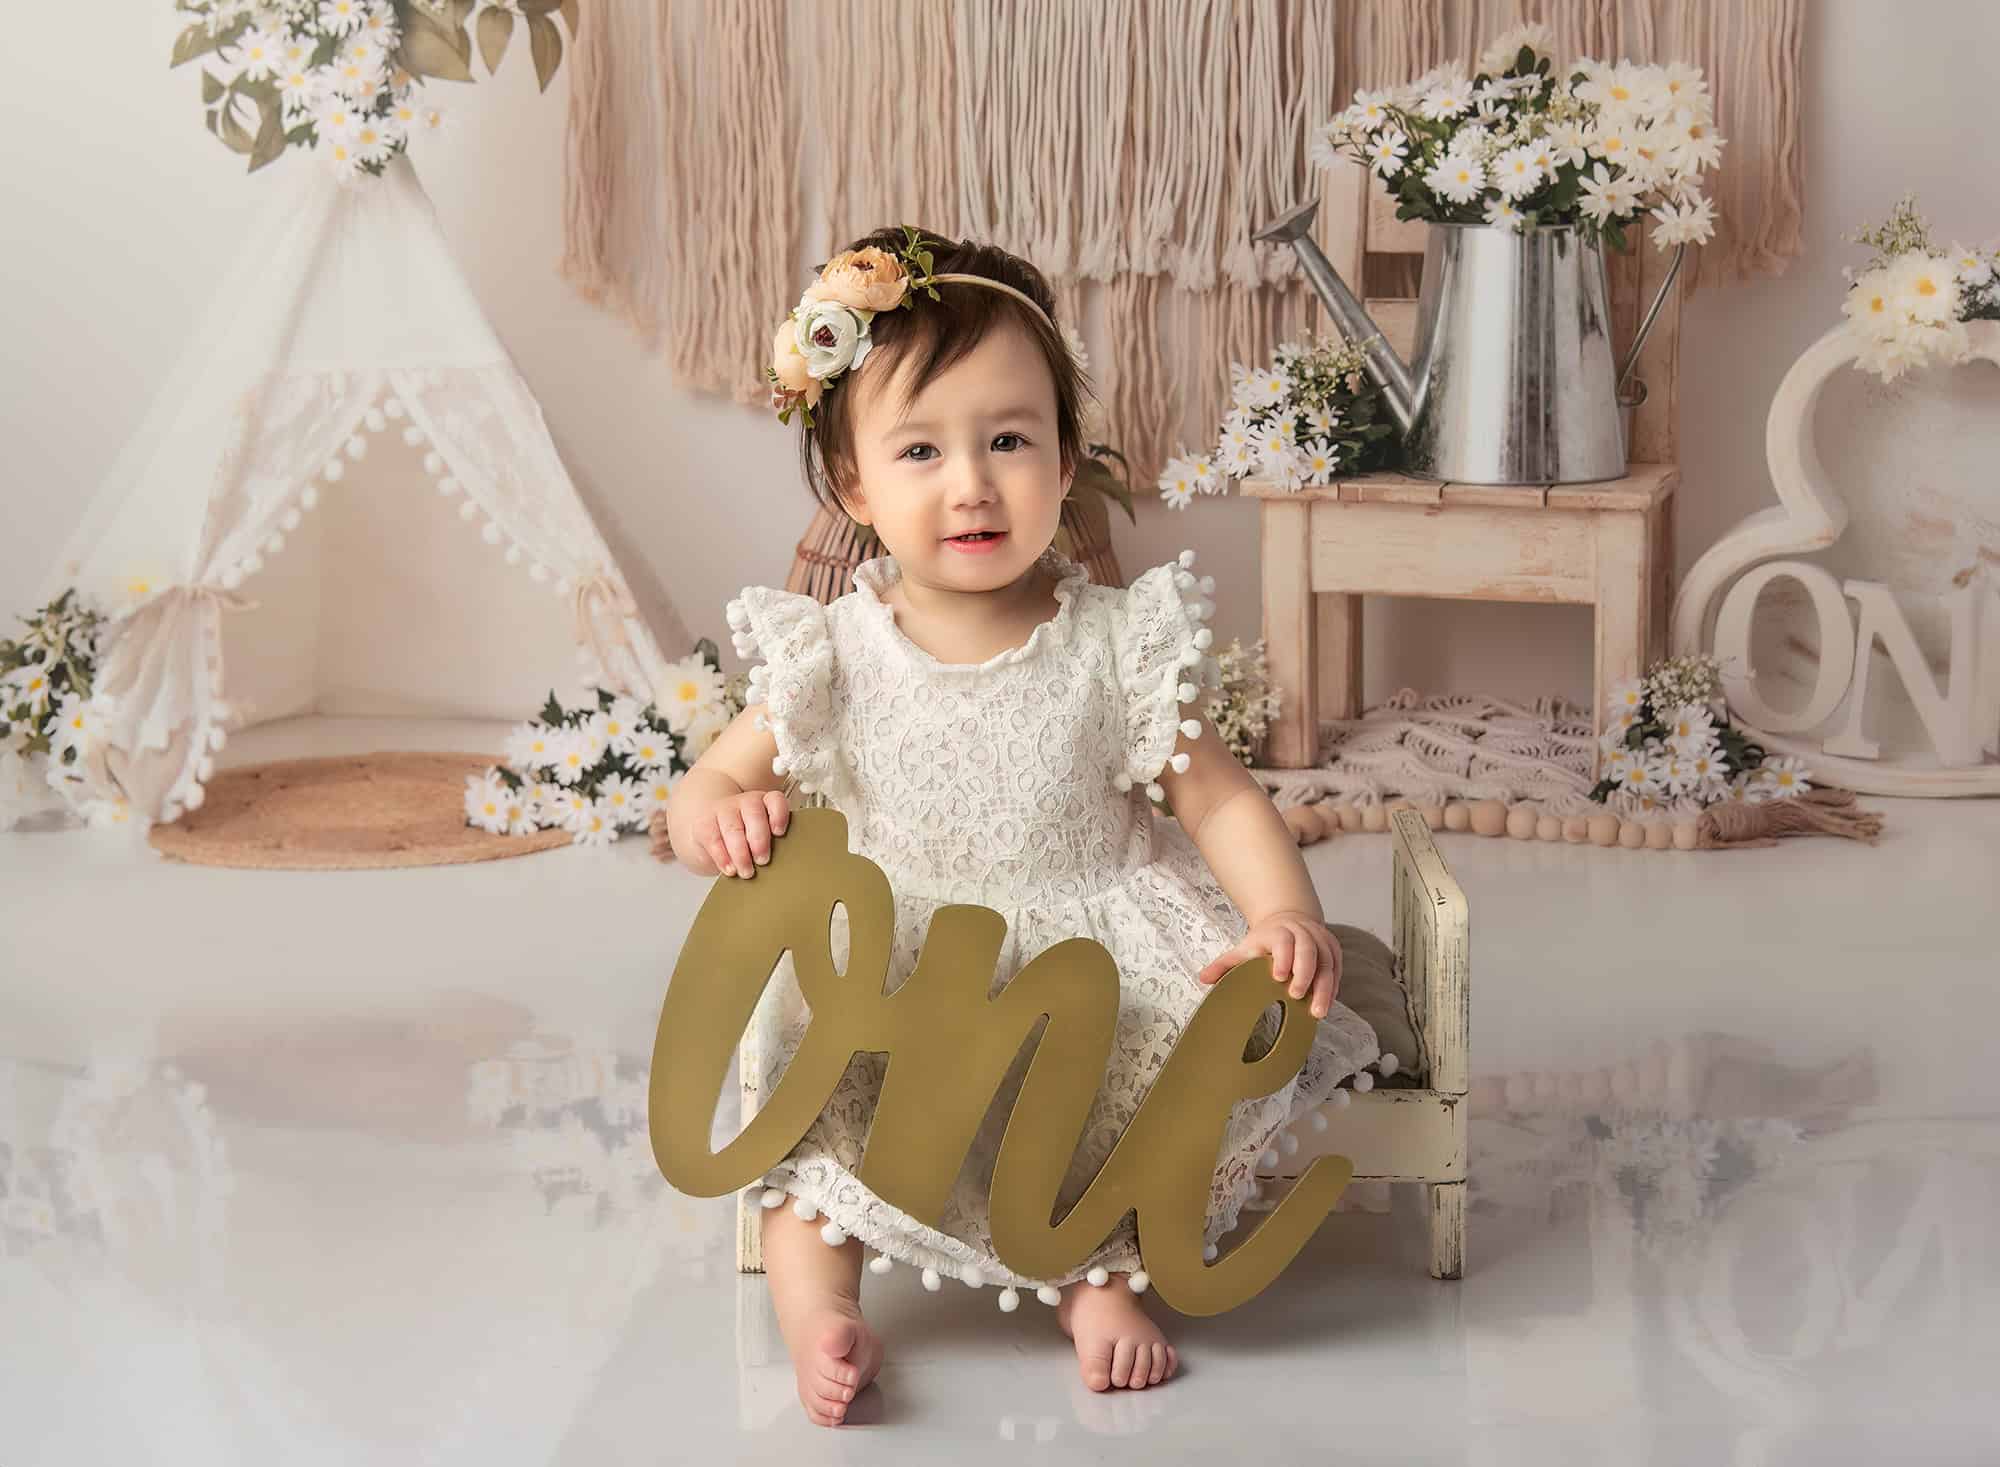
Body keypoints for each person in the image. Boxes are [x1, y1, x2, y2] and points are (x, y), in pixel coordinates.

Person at [663, 226, 1383, 1426]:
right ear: (854, 487)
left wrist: (1280, 913)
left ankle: (1095, 1279)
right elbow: (707, 781)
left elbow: (1211, 796)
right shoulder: (831, 648)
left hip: (1086, 955)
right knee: (812, 1136)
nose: (972, 483)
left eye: (1008, 440)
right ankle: (820, 1313)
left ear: (1064, 458)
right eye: (920, 449)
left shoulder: (1110, 641)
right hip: (900, 968)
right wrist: (718, 814)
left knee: (1119, 1096)